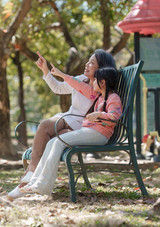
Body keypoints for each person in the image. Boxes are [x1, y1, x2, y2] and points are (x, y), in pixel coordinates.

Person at [7, 49, 116, 200]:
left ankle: (29, 185)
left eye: (92, 63)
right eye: (88, 60)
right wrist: (46, 71)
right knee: (45, 126)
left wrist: (62, 74)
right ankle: (31, 175)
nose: (87, 64)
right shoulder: (81, 79)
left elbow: (88, 93)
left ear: (101, 68)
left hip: (82, 126)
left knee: (54, 140)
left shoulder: (98, 90)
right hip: (68, 117)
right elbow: (58, 88)